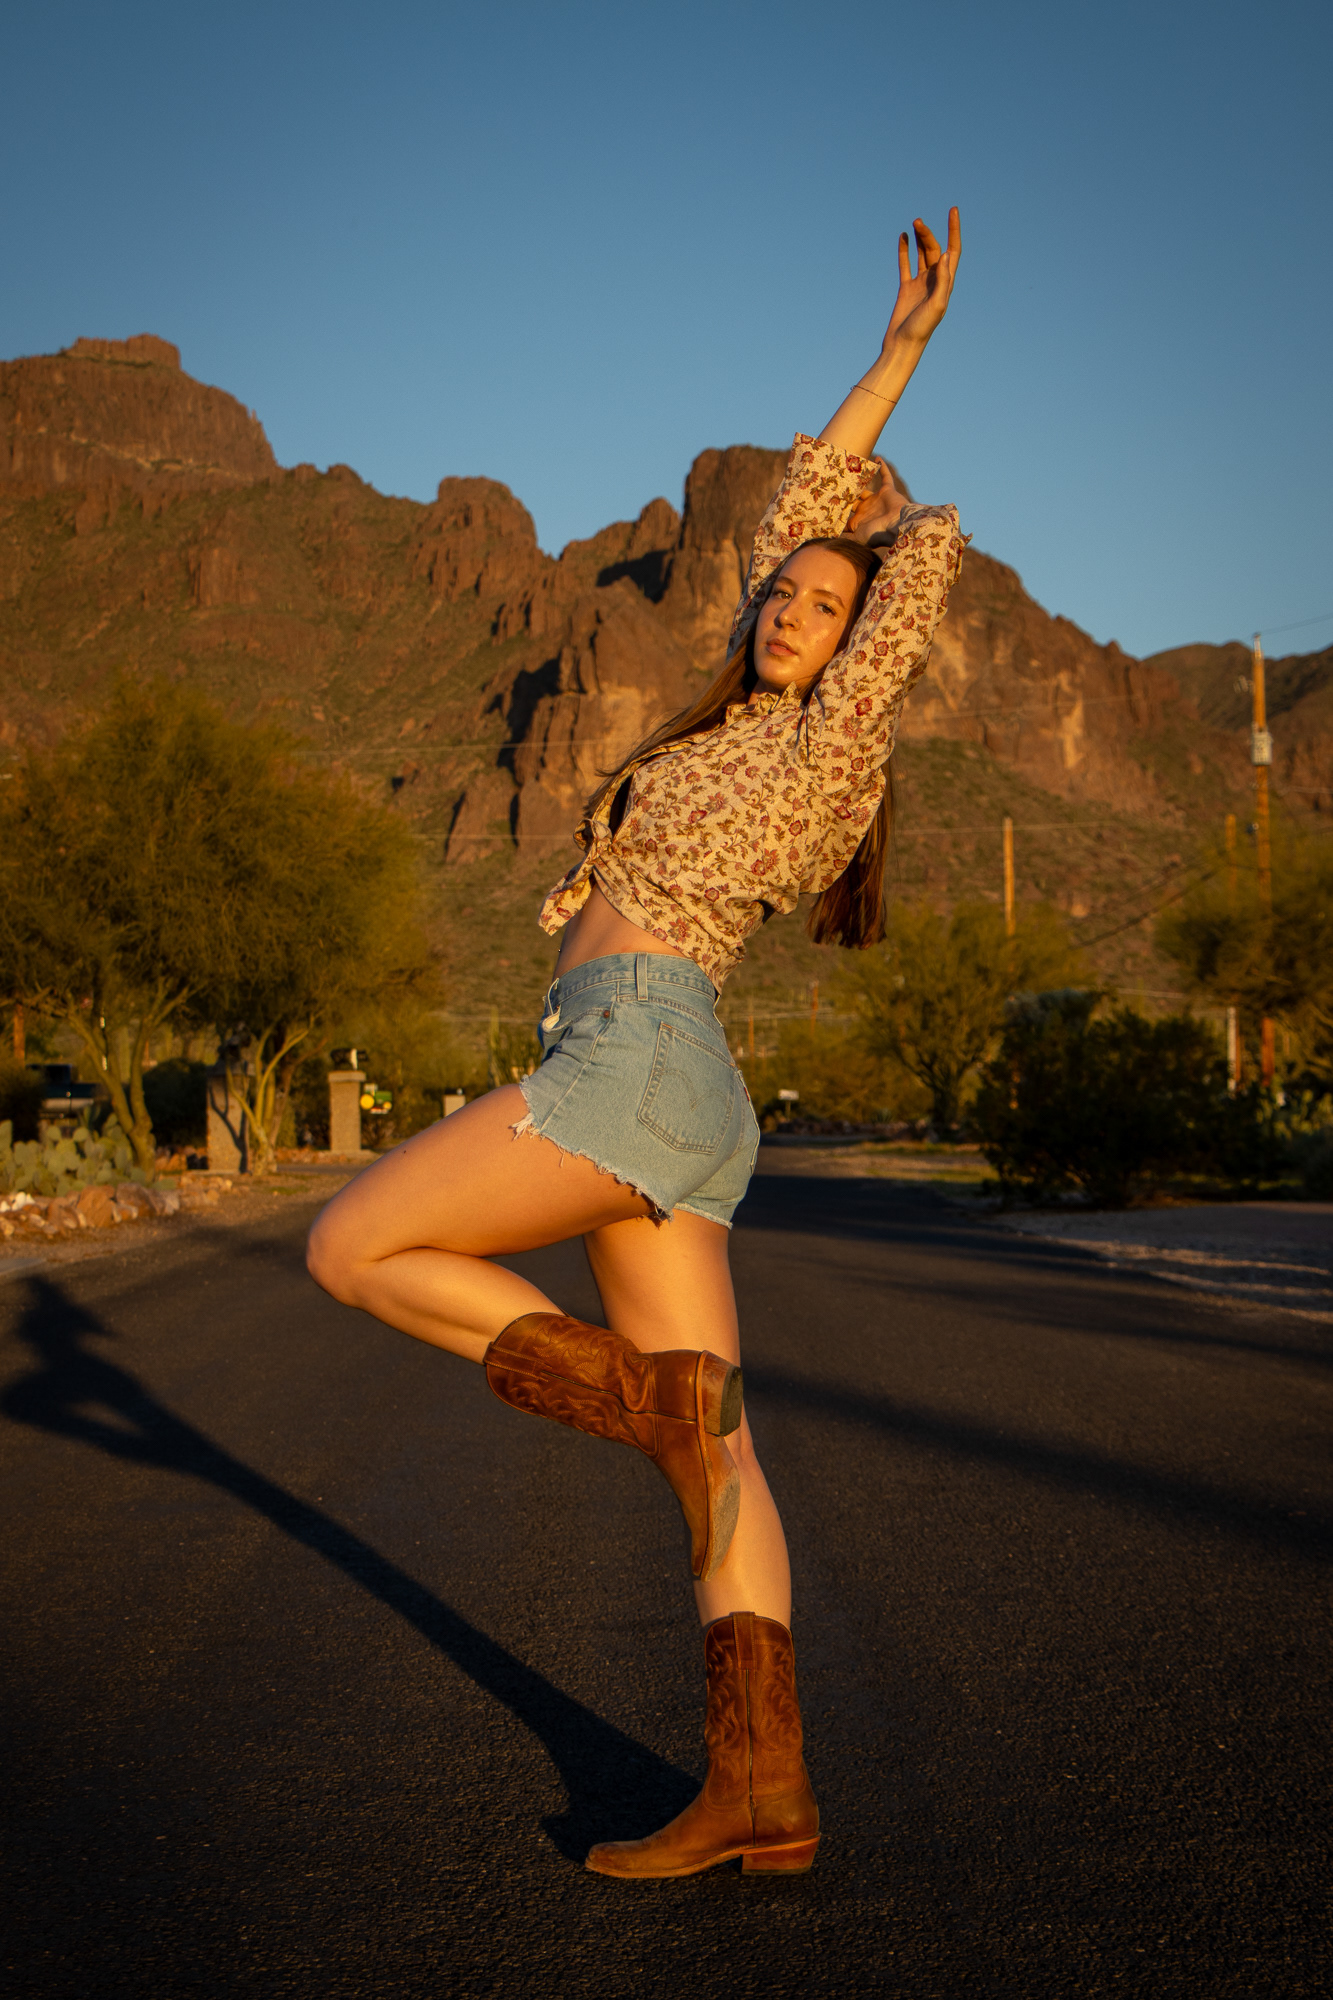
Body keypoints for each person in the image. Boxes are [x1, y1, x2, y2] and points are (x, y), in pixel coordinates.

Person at [307, 209, 965, 1879]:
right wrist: (870, 357)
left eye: (823, 605)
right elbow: (797, 512)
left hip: (639, 1053)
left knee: (352, 1246)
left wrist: (907, 377)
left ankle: (638, 1397)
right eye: (781, 595)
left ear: (859, 644)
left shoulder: (830, 745)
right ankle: (762, 1787)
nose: (793, 609)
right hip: (670, 1079)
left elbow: (863, 545)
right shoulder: (731, 718)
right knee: (722, 1458)